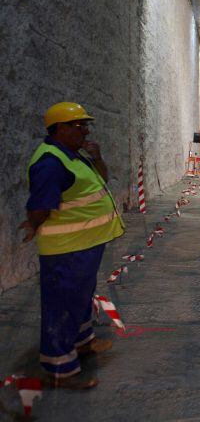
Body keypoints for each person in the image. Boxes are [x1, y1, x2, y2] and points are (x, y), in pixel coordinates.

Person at [20, 102, 125, 389]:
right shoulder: (50, 162)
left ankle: (82, 343)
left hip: (84, 245)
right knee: (62, 304)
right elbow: (40, 205)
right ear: (60, 129)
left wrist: (98, 157)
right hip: (66, 249)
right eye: (78, 125)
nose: (85, 130)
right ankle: (59, 370)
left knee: (80, 297)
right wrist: (33, 222)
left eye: (85, 124)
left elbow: (101, 180)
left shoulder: (74, 156)